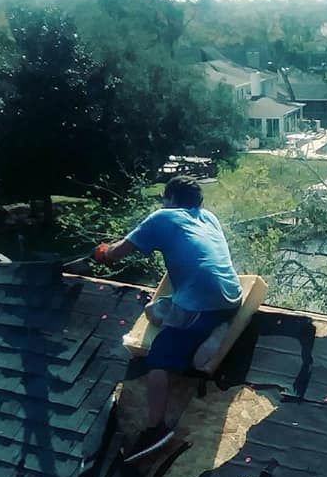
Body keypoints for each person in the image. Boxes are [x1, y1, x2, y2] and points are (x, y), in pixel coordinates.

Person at [93, 175, 242, 457]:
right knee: (156, 308)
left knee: (158, 359)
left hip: (201, 306)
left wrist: (101, 252)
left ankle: (156, 428)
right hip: (233, 297)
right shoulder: (208, 217)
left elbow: (117, 253)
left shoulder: (163, 216)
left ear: (170, 198)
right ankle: (215, 327)